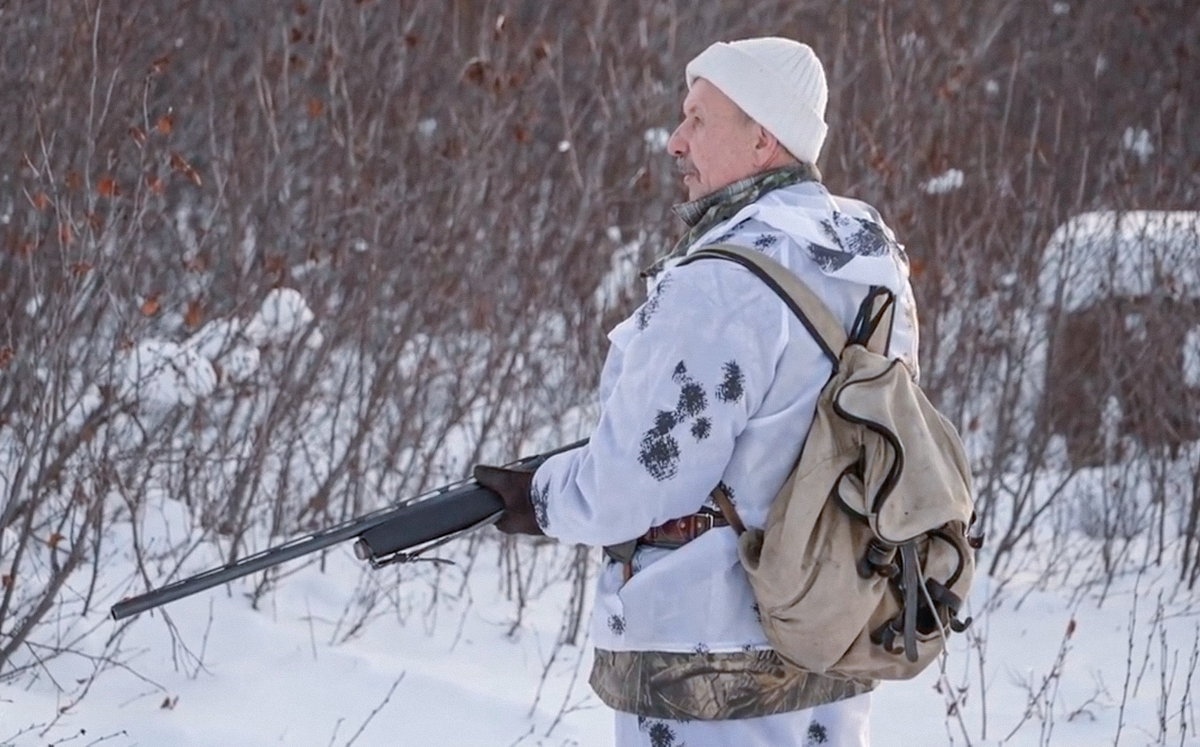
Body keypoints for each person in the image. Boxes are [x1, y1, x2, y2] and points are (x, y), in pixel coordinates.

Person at [475, 37, 920, 747]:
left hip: (711, 653)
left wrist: (539, 496)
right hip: (835, 626)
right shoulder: (870, 258)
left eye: (698, 119)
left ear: (762, 138)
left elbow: (635, 482)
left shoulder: (722, 279)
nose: (675, 141)